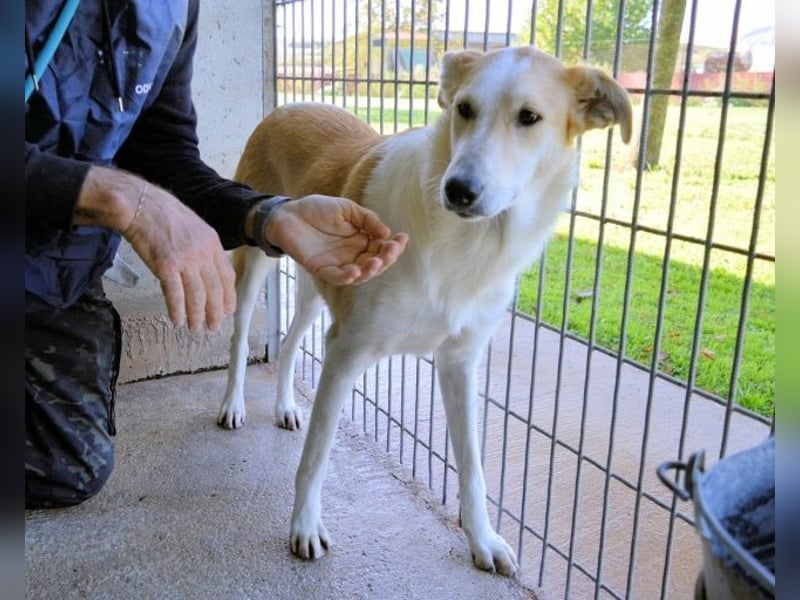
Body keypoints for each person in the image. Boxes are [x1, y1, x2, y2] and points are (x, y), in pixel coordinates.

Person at [25, 0, 408, 509]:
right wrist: (122, 199)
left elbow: (164, 151)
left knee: (72, 468)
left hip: (49, 266)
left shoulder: (175, 7)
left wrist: (265, 216)